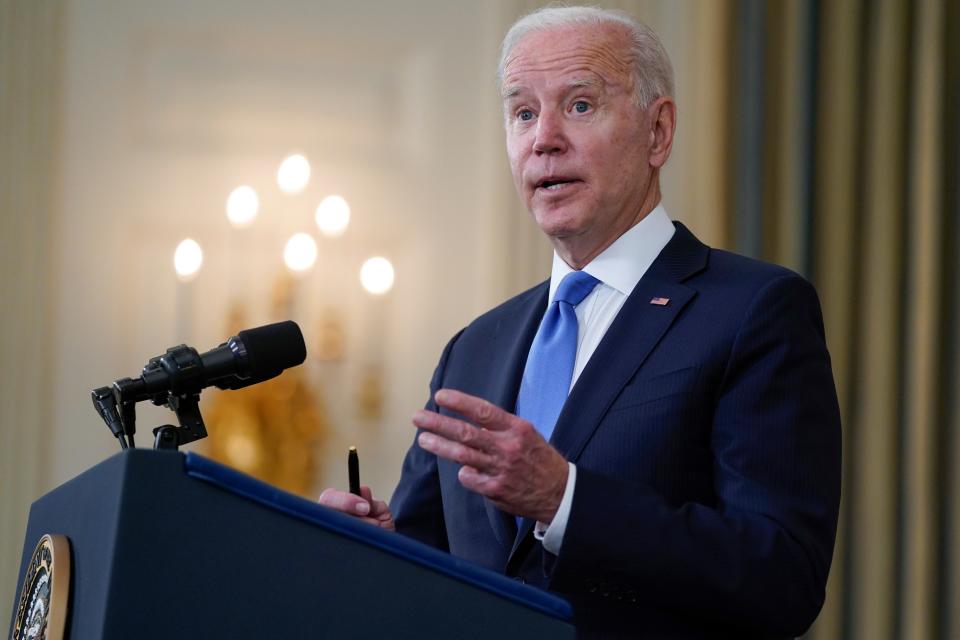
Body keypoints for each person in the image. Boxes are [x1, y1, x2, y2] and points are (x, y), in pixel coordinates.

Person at [319, 6, 841, 638]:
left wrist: (567, 501)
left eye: (581, 105)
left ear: (658, 133)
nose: (544, 138)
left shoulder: (752, 310)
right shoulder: (475, 347)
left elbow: (781, 576)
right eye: (523, 113)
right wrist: (373, 547)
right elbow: (435, 564)